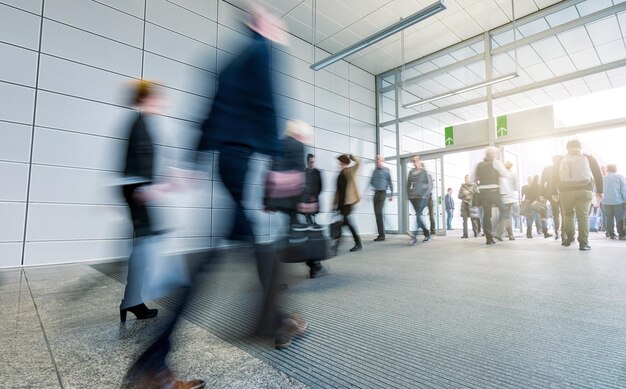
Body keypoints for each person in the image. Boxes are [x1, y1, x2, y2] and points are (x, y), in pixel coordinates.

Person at [124, 7, 303, 388]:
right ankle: (153, 365)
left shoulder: (228, 62)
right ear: (261, 24)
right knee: (218, 260)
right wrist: (277, 163)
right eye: (276, 23)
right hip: (241, 162)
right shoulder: (263, 51)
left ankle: (274, 319)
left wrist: (190, 163)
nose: (281, 30)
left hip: (226, 163)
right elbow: (270, 107)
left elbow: (209, 115)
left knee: (250, 246)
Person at [118, 80, 161, 324]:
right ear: (146, 99)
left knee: (143, 247)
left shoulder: (139, 122)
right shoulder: (139, 123)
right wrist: (144, 188)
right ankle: (132, 301)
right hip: (138, 194)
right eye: (156, 98)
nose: (160, 102)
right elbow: (138, 161)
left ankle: (132, 300)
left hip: (138, 192)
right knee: (143, 248)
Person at [552, 139, 603, 251]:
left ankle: (569, 237)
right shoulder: (588, 158)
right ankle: (583, 243)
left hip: (565, 191)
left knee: (568, 214)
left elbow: (554, 176)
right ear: (580, 147)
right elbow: (597, 174)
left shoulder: (561, 159)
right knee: (583, 217)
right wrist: (600, 191)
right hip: (585, 190)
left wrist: (554, 192)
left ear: (567, 148)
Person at [474, 147, 512, 245]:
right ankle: (496, 231)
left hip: (483, 192)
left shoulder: (479, 165)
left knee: (487, 215)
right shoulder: (496, 163)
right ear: (492, 155)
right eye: (496, 154)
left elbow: (472, 178)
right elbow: (506, 174)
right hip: (494, 191)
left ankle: (489, 238)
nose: (497, 155)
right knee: (504, 209)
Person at [333, 154, 362, 252]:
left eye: (341, 163)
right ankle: (357, 243)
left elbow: (358, 163)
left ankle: (337, 245)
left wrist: (352, 157)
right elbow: (337, 191)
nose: (339, 165)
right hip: (341, 203)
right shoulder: (339, 174)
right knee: (346, 223)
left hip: (348, 203)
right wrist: (334, 204)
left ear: (344, 163)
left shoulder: (350, 171)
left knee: (346, 223)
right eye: (339, 163)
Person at [407, 155, 433, 245]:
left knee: (418, 216)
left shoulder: (424, 172)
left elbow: (429, 186)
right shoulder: (411, 172)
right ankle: (427, 234)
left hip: (422, 198)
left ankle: (414, 237)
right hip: (413, 198)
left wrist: (424, 195)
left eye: (416, 160)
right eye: (413, 161)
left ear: (419, 161)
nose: (415, 162)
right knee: (418, 217)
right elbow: (408, 185)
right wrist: (409, 195)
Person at [370, 155, 393, 241]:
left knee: (379, 213)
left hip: (383, 192)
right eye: (376, 160)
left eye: (379, 160)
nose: (377, 161)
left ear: (382, 161)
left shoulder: (386, 170)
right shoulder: (374, 171)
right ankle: (381, 234)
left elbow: (390, 182)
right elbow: (371, 181)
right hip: (376, 192)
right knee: (377, 214)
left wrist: (391, 194)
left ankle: (382, 235)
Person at [541, 155, 563, 240]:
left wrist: (542, 194)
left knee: (555, 212)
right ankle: (564, 232)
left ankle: (557, 230)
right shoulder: (562, 167)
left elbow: (542, 182)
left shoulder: (547, 169)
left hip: (550, 193)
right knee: (564, 212)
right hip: (562, 192)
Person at [602, 164, 626, 240]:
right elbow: (623, 190)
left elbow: (598, 190)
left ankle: (611, 234)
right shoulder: (620, 177)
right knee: (619, 218)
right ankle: (621, 235)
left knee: (609, 218)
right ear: (616, 169)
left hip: (606, 202)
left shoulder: (603, 178)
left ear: (607, 169)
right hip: (618, 201)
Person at [498, 161, 518, 240]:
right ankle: (510, 234)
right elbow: (516, 187)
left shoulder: (500, 174)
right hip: (510, 198)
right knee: (507, 216)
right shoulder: (513, 174)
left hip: (502, 198)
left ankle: (501, 233)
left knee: (503, 216)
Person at [301, 153, 322, 225]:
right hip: (306, 198)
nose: (313, 164)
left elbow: (320, 186)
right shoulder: (304, 172)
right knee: (307, 215)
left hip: (314, 198)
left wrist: (315, 196)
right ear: (307, 162)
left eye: (314, 162)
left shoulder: (317, 172)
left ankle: (312, 225)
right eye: (311, 162)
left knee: (313, 215)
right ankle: (310, 224)